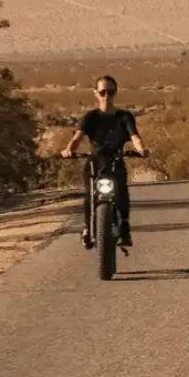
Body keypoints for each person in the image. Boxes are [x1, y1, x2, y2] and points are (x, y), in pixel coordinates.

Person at [61, 74, 147, 248]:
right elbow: (77, 138)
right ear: (96, 93)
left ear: (116, 92)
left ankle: (124, 226)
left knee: (121, 191)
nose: (106, 95)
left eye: (110, 92)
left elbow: (134, 136)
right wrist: (69, 150)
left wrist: (141, 149)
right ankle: (87, 228)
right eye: (102, 92)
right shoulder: (91, 117)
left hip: (116, 159)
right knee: (90, 194)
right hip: (95, 162)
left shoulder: (124, 117)